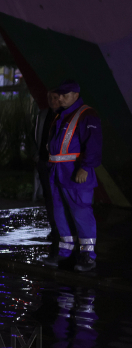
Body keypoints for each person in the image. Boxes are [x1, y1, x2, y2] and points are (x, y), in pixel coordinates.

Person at [43, 80, 101, 272]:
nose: (60, 98)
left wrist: (85, 168)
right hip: (58, 172)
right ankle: (65, 251)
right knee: (60, 213)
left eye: (64, 95)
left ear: (76, 95)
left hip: (75, 173)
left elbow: (94, 145)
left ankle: (87, 255)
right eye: (59, 95)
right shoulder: (62, 114)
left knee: (81, 213)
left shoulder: (86, 114)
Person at [33, 91, 61, 242]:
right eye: (49, 97)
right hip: (44, 163)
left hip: (59, 165)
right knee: (48, 198)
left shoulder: (65, 116)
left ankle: (63, 229)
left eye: (55, 97)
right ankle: (54, 228)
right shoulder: (43, 115)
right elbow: (36, 135)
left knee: (59, 197)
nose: (52, 101)